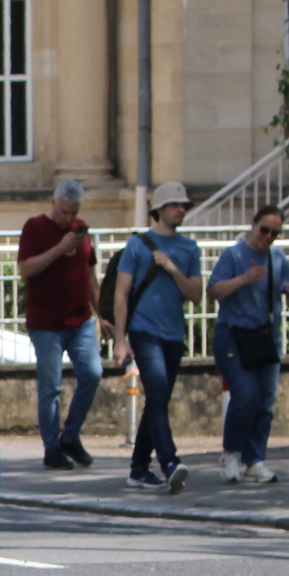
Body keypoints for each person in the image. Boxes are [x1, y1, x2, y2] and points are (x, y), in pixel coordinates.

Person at [111, 181, 203, 494]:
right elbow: (121, 294)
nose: (181, 209)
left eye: (184, 205)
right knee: (159, 393)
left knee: (157, 400)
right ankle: (170, 462)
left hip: (174, 333)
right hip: (144, 331)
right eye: (175, 205)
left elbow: (197, 295)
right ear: (159, 210)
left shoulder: (189, 248)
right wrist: (120, 340)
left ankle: (138, 468)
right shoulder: (138, 245)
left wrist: (173, 268)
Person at [209, 203, 289, 483]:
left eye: (275, 233)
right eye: (264, 229)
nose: (268, 237)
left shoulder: (277, 259)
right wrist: (243, 279)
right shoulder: (234, 255)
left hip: (265, 337)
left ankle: (255, 460)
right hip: (233, 335)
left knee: (265, 401)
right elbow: (214, 290)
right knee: (245, 395)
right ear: (253, 224)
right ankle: (231, 454)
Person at [15, 178, 101, 469]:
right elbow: (26, 269)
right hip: (46, 323)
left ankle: (71, 436)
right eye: (64, 212)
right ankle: (52, 447)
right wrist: (60, 247)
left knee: (92, 373)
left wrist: (103, 315)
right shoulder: (35, 227)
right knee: (50, 386)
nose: (68, 219)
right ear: (53, 203)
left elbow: (90, 276)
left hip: (80, 319)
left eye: (73, 213)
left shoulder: (82, 231)